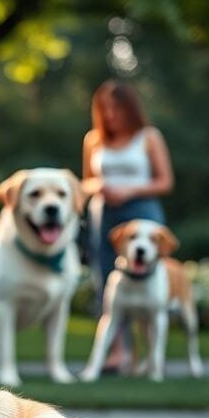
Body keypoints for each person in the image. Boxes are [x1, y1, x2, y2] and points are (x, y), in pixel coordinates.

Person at [82, 80, 174, 371]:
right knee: (106, 278)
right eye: (104, 109)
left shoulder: (148, 137)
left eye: (116, 108)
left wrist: (129, 190)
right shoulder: (93, 140)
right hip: (104, 214)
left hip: (142, 211)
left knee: (149, 279)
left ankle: (150, 357)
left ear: (129, 108)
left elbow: (165, 181)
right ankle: (118, 353)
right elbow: (84, 181)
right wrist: (99, 184)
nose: (110, 115)